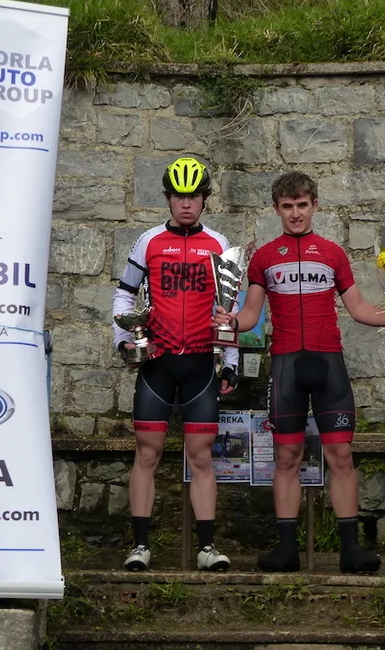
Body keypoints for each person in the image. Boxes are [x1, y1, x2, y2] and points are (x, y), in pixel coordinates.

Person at [214, 171, 385, 574]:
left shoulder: (333, 254)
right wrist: (227, 321)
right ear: (276, 209)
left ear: (315, 205)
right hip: (287, 367)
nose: (296, 213)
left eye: (302, 205)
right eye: (288, 206)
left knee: (341, 455)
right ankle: (286, 550)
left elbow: (359, 309)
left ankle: (351, 550)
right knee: (286, 457)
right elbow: (250, 317)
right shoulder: (265, 257)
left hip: (328, 363)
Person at [112, 157, 239, 572]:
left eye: (194, 196)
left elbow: (228, 308)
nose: (186, 204)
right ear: (168, 198)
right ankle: (140, 546)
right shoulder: (148, 240)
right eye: (179, 196)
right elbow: (124, 294)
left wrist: (231, 360)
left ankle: (207, 548)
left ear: (204, 199)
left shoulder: (218, 243)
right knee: (147, 453)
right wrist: (123, 341)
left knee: (201, 457)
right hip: (158, 363)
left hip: (201, 363)